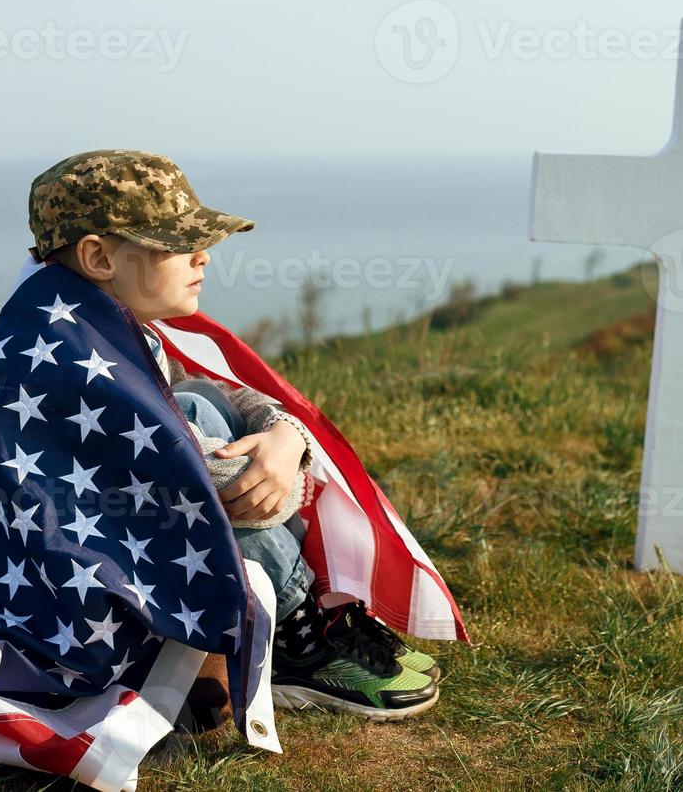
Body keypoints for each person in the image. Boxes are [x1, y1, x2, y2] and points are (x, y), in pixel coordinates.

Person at [26, 149, 441, 718]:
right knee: (207, 434)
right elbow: (202, 478)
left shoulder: (96, 329)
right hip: (68, 584)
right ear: (98, 256)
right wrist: (277, 468)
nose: (203, 256)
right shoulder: (72, 361)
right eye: (176, 243)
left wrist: (285, 433)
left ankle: (303, 612)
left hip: (121, 538)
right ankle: (298, 638)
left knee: (204, 399)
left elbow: (204, 392)